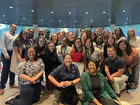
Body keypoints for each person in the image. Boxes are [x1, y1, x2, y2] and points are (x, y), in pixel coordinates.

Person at [0, 24, 18, 95]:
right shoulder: (5, 33)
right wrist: (6, 53)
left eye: (15, 27)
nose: (14, 28)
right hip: (6, 52)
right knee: (5, 69)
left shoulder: (16, 35)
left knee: (13, 68)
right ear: (10, 27)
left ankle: (11, 83)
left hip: (14, 53)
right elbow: (2, 44)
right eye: (13, 27)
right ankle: (1, 87)